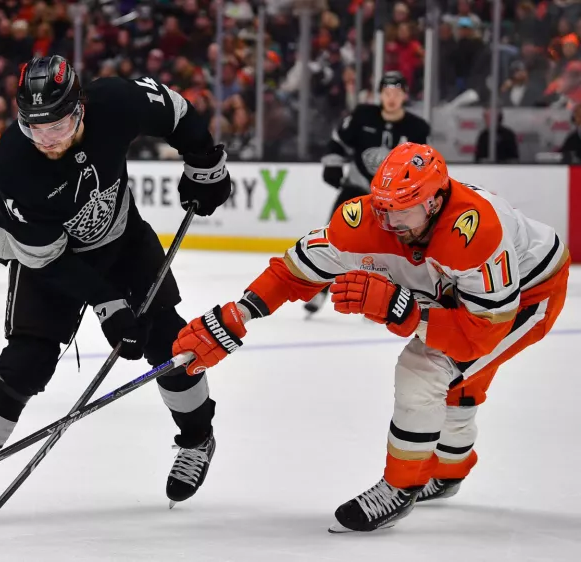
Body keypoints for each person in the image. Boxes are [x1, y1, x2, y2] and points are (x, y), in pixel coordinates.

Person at [172, 142, 570, 533]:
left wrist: (410, 313)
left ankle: (402, 486)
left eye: (402, 214)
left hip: (528, 297)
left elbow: (480, 335)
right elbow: (295, 270)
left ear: (433, 203)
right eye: (382, 209)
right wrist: (237, 315)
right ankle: (449, 471)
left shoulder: (476, 231)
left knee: (426, 368)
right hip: (466, 297)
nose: (389, 225)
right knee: (458, 380)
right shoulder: (364, 219)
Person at [0, 55, 233, 522]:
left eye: (59, 125)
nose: (48, 140)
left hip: (122, 237)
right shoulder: (14, 163)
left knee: (170, 342)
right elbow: (48, 259)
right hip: (49, 259)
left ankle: (197, 439)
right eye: (35, 128)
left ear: (81, 108)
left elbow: (175, 111)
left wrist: (204, 162)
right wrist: (109, 304)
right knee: (26, 361)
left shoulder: (116, 100)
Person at [307, 72, 431, 316]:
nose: (392, 98)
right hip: (357, 187)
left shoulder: (417, 128)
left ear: (405, 95)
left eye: (396, 93)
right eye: (387, 93)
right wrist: (332, 164)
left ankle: (389, 299)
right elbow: (338, 142)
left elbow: (424, 164)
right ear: (380, 95)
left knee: (398, 247)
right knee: (333, 236)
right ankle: (320, 290)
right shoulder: (362, 115)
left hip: (396, 199)